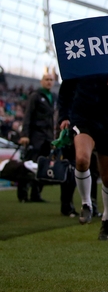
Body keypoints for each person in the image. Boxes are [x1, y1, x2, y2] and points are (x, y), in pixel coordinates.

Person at [57, 74, 108, 240]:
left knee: (107, 177)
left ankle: (107, 219)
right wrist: (64, 116)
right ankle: (86, 203)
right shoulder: (80, 55)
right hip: (83, 117)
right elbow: (65, 90)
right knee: (81, 160)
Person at [18, 72, 56, 204]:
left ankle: (36, 193)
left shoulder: (52, 97)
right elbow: (28, 115)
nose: (49, 82)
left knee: (43, 167)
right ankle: (22, 194)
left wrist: (53, 138)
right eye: (47, 79)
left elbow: (51, 120)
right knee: (28, 165)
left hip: (47, 137)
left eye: (51, 80)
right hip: (35, 136)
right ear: (41, 81)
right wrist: (24, 135)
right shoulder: (35, 96)